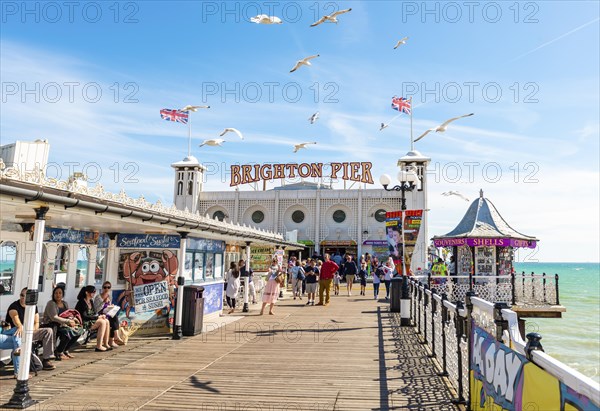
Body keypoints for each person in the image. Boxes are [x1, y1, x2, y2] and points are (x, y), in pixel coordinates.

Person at [5, 287, 56, 370]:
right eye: (22, 295)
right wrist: (21, 327)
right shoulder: (14, 306)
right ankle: (20, 363)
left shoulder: (33, 306)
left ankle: (46, 359)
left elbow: (36, 323)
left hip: (30, 332)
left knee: (48, 331)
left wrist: (31, 331)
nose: (23, 297)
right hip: (18, 333)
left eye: (26, 296)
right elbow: (16, 320)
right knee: (19, 332)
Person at [44, 286, 84, 360]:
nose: (58, 295)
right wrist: (68, 321)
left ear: (62, 294)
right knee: (67, 332)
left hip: (63, 324)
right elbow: (54, 317)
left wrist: (73, 319)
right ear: (53, 294)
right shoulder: (51, 303)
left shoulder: (64, 303)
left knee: (79, 330)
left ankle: (65, 349)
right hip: (52, 324)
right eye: (56, 293)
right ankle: (59, 352)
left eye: (60, 293)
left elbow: (68, 314)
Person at [75, 285, 111, 352]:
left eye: (95, 292)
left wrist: (100, 316)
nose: (94, 293)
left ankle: (106, 343)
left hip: (91, 320)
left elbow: (94, 312)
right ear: (87, 293)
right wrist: (97, 317)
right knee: (102, 322)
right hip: (84, 322)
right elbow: (84, 316)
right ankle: (99, 346)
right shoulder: (82, 302)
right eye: (93, 292)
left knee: (106, 321)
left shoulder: (91, 301)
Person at [93, 281, 124, 347]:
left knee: (114, 316)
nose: (106, 289)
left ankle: (113, 339)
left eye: (108, 287)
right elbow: (96, 309)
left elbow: (108, 306)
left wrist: (111, 306)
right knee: (113, 318)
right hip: (100, 314)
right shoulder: (98, 297)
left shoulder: (109, 296)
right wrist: (103, 302)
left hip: (107, 313)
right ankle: (113, 339)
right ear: (102, 288)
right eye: (105, 287)